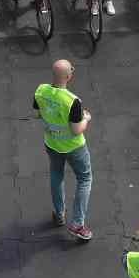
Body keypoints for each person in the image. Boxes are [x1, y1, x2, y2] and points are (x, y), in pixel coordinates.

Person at [34, 58, 94, 241]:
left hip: (52, 143)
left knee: (56, 174)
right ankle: (77, 223)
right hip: (74, 147)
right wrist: (87, 119)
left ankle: (59, 214)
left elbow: (38, 113)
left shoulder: (41, 91)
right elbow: (76, 130)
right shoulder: (72, 101)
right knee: (84, 178)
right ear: (69, 76)